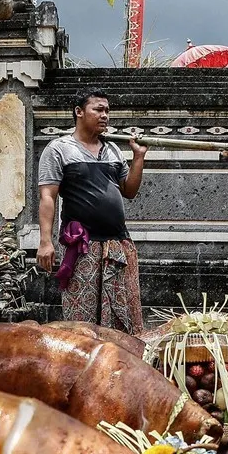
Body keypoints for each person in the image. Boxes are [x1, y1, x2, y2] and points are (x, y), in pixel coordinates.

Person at [36, 88, 148, 335]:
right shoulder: (59, 149)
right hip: (82, 247)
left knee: (121, 320)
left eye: (107, 110)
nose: (105, 115)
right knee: (82, 322)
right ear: (78, 112)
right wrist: (45, 242)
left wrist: (138, 157)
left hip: (117, 245)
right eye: (98, 109)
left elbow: (129, 190)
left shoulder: (113, 150)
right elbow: (48, 197)